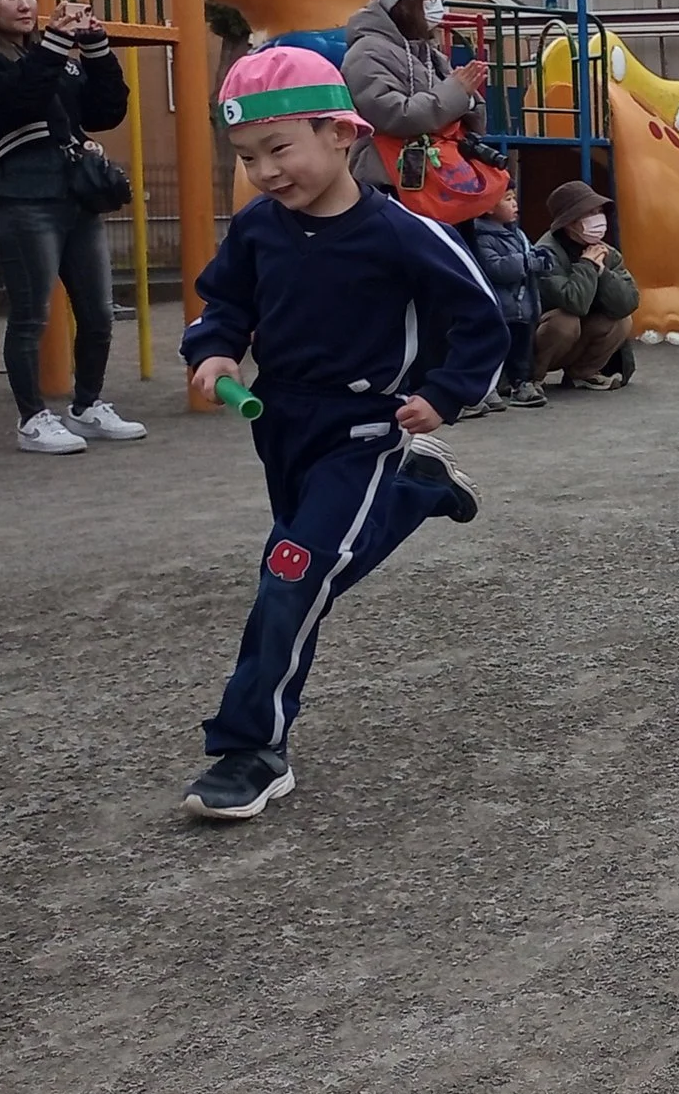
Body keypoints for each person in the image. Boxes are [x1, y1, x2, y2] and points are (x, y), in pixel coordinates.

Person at [177, 45, 505, 819]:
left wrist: (444, 393)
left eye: (279, 148)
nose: (264, 171)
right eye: (247, 156)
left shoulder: (400, 232)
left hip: (364, 427)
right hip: (280, 423)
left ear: (342, 135)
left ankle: (252, 746)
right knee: (303, 571)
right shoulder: (257, 228)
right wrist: (214, 349)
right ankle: (417, 489)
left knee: (292, 575)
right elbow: (225, 303)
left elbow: (482, 316)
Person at [0, 0, 145, 455]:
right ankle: (32, 418)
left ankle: (87, 405)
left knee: (98, 313)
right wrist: (56, 44)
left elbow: (106, 110)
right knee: (31, 317)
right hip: (25, 200)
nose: (25, 5)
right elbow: (17, 100)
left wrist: (94, 45)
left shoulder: (49, 55)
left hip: (76, 199)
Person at [340, 0, 486, 193]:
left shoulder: (428, 52)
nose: (436, 4)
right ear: (405, 1)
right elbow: (396, 116)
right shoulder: (366, 53)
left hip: (436, 176)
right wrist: (458, 92)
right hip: (388, 180)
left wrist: (467, 98)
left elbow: (468, 115)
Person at [532, 179, 638, 387]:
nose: (598, 218)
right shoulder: (545, 253)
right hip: (544, 339)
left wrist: (603, 272)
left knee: (621, 321)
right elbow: (575, 303)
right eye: (589, 213)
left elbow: (629, 302)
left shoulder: (607, 253)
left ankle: (582, 374)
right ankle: (531, 378)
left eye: (599, 211)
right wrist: (587, 265)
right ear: (569, 222)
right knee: (565, 322)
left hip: (578, 340)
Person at [465, 186, 555, 412]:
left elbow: (531, 256)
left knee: (521, 352)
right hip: (500, 309)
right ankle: (488, 388)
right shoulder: (481, 236)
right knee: (494, 350)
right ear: (488, 208)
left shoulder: (518, 234)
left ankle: (521, 384)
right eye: (507, 199)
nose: (515, 204)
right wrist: (526, 262)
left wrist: (543, 260)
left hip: (523, 308)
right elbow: (495, 268)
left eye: (514, 198)